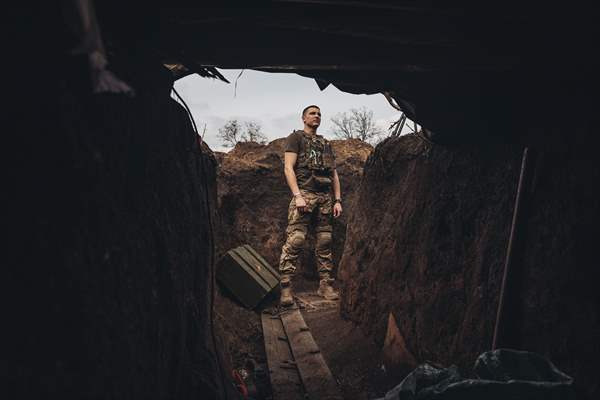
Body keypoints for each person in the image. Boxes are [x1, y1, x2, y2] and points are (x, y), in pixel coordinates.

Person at [278, 105, 343, 307]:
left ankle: (325, 284)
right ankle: (286, 286)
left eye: (319, 114)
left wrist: (338, 200)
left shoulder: (325, 143)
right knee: (296, 239)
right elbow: (288, 167)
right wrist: (297, 195)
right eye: (313, 113)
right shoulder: (295, 138)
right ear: (304, 118)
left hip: (324, 198)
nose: (317, 116)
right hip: (304, 194)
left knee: (325, 240)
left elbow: (333, 174)